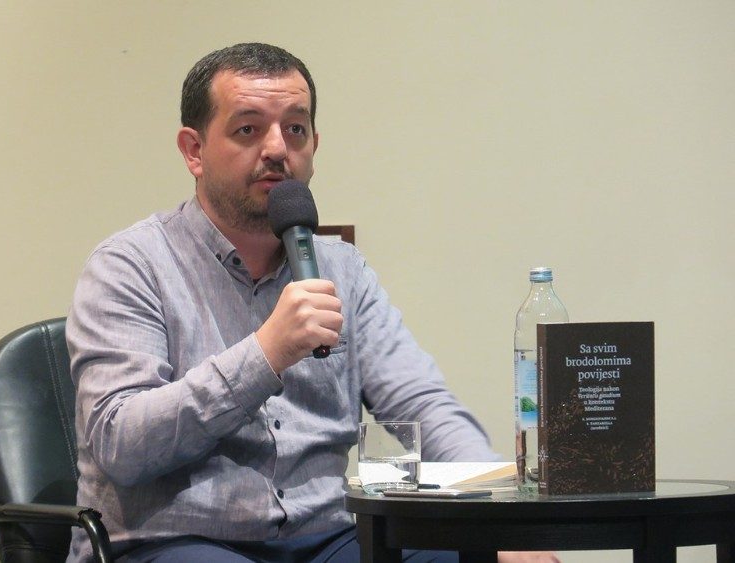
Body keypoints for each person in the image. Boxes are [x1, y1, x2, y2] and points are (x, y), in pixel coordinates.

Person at [66, 43, 557, 563]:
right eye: (248, 129)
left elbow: (423, 404)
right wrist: (264, 354)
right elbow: (121, 445)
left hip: (326, 537)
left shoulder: (342, 269)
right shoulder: (130, 265)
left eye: (296, 129)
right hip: (172, 541)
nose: (278, 148)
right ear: (194, 150)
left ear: (314, 146)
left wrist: (499, 521)